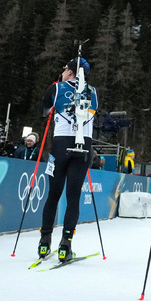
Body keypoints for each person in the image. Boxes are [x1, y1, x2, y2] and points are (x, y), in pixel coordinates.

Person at [37, 57, 99, 263]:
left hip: (61, 144)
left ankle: (44, 241)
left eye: (65, 69)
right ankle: (66, 244)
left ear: (71, 72)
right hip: (84, 146)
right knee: (73, 197)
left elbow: (44, 112)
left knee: (53, 195)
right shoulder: (93, 91)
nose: (62, 72)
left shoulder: (56, 87)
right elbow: (93, 112)